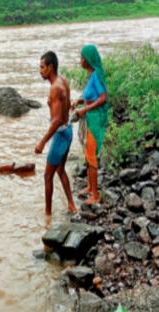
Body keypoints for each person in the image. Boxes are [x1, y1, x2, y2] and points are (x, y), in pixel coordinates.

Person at [35, 51, 77, 216]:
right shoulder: (63, 82)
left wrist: (42, 142)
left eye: (42, 67)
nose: (40, 70)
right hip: (68, 131)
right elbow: (65, 107)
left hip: (60, 134)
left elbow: (57, 120)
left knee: (47, 176)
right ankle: (72, 205)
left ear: (50, 67)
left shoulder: (55, 88)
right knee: (60, 170)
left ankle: (47, 214)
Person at [72, 44, 108, 205]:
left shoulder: (96, 75)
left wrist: (85, 109)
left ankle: (95, 195)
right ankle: (89, 186)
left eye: (82, 58)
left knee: (91, 156)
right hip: (89, 116)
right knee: (87, 153)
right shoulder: (90, 74)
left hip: (94, 119)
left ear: (88, 60)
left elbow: (102, 98)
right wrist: (79, 101)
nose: (80, 61)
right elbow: (90, 95)